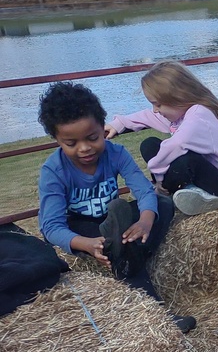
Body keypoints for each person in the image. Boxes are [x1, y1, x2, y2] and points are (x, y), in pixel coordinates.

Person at [37, 82, 196, 333]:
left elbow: (143, 190)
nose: (85, 148)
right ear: (57, 140)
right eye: (71, 143)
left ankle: (125, 251)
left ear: (103, 128)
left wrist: (144, 221)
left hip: (116, 221)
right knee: (119, 244)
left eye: (92, 138)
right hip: (83, 227)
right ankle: (162, 317)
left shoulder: (116, 153)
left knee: (162, 205)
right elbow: (51, 226)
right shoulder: (53, 170)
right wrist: (85, 244)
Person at [105, 60, 218, 216]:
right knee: (150, 145)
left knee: (187, 160)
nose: (155, 110)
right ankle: (192, 192)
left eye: (157, 104)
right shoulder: (182, 112)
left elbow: (176, 145)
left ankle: (160, 194)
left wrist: (158, 179)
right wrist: (120, 123)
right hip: (209, 179)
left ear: (177, 97)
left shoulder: (199, 115)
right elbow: (148, 116)